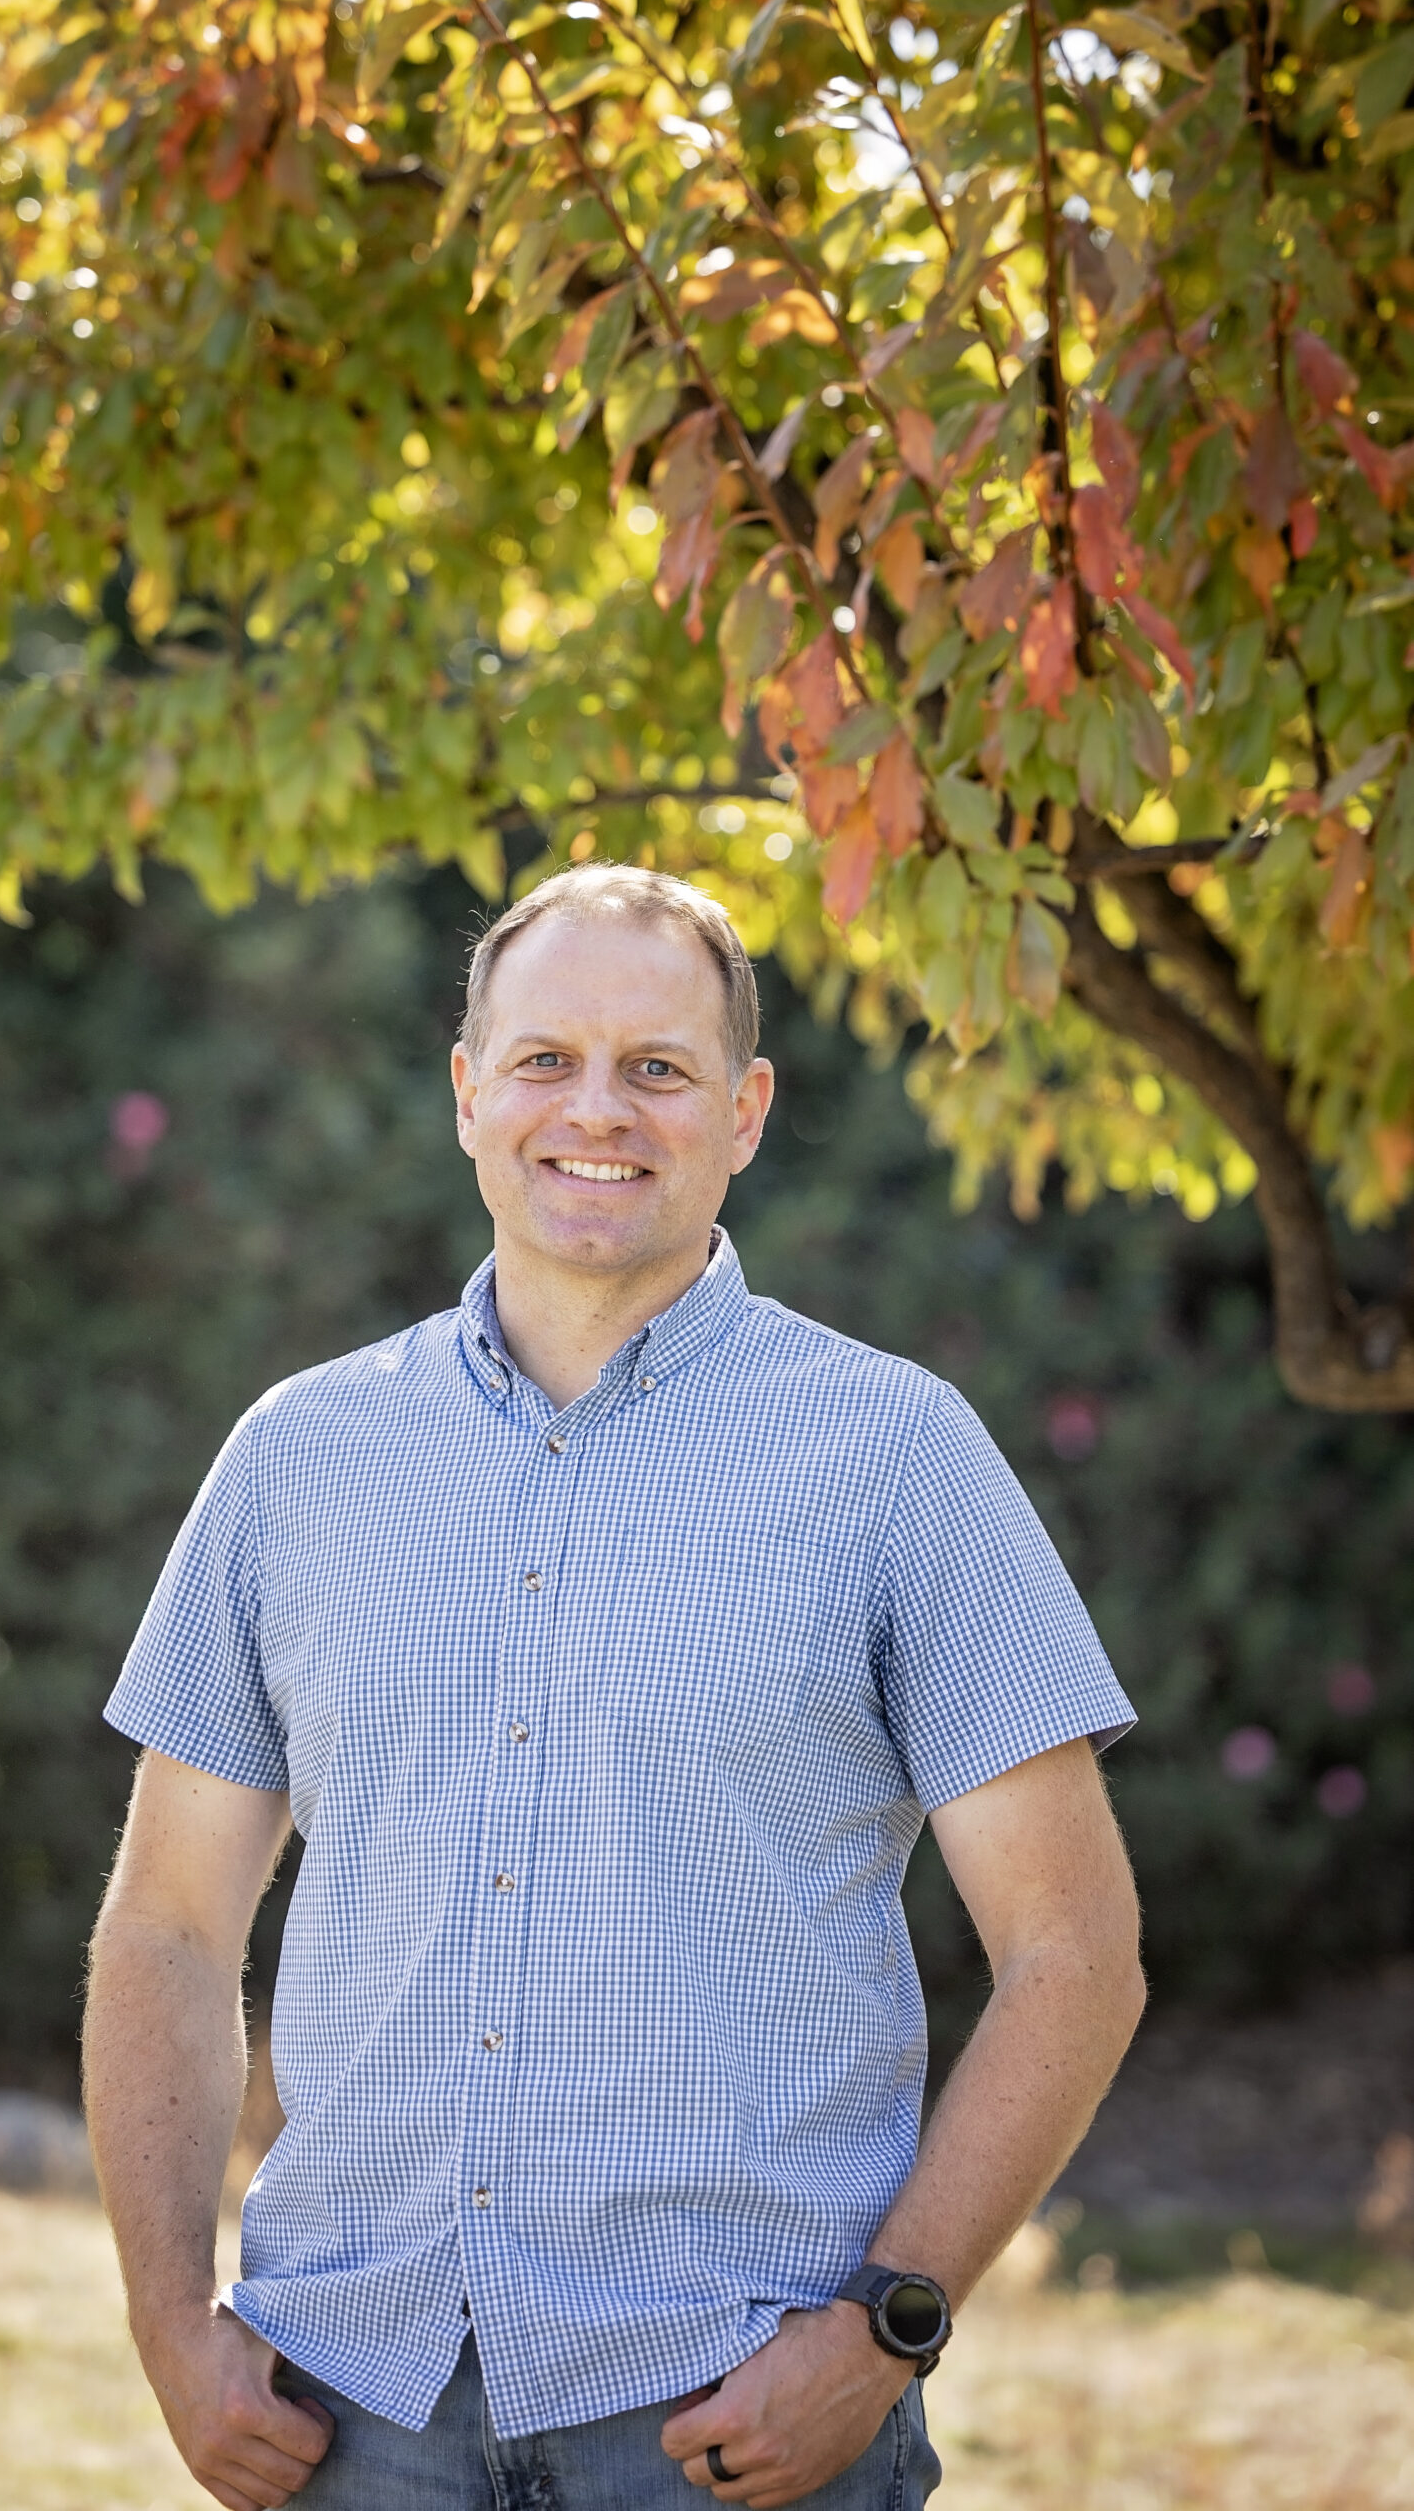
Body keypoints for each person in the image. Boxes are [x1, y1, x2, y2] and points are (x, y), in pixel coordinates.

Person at [84, 863, 1144, 2511]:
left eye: (657, 1066)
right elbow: (165, 1927)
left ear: (746, 1109)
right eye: (543, 1061)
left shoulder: (895, 1456)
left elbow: (1077, 1954)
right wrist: (167, 2324)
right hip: (343, 2423)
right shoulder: (299, 1459)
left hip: (734, 2431)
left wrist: (884, 2332)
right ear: (466, 1095)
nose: (599, 1110)